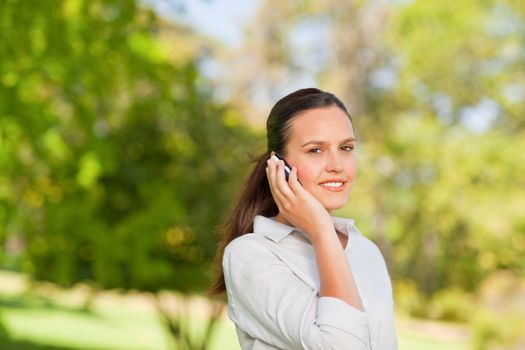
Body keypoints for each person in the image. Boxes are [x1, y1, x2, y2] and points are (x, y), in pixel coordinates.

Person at [209, 88, 398, 350]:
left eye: (346, 148)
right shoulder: (250, 255)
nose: (337, 165)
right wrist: (322, 231)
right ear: (278, 164)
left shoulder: (367, 251)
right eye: (316, 150)